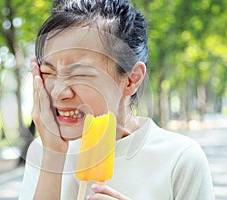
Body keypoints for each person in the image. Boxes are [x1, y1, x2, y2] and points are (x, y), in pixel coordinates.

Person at [19, 0, 214, 199]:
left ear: (131, 79)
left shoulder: (181, 159)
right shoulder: (42, 151)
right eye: (48, 72)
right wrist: (53, 157)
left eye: (80, 74)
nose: (59, 92)